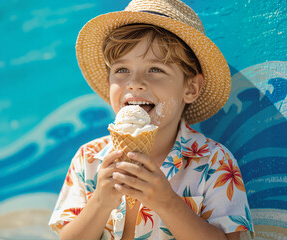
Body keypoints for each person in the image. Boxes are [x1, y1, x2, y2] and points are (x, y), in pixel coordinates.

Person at [49, 0, 254, 239]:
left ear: (190, 88)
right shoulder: (88, 159)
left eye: (156, 69)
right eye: (122, 70)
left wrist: (166, 202)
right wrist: (100, 203)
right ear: (109, 83)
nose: (134, 82)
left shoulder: (214, 162)